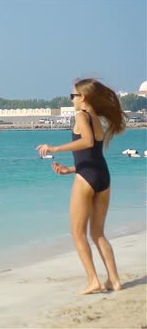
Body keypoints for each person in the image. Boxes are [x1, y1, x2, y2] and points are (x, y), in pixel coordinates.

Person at [37, 78, 127, 294]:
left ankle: (94, 280)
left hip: (87, 179)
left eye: (72, 96)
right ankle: (114, 281)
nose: (71, 100)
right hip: (102, 176)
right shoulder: (96, 118)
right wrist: (70, 169)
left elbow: (86, 142)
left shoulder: (80, 115)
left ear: (82, 97)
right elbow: (92, 155)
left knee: (78, 233)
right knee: (98, 234)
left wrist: (54, 148)